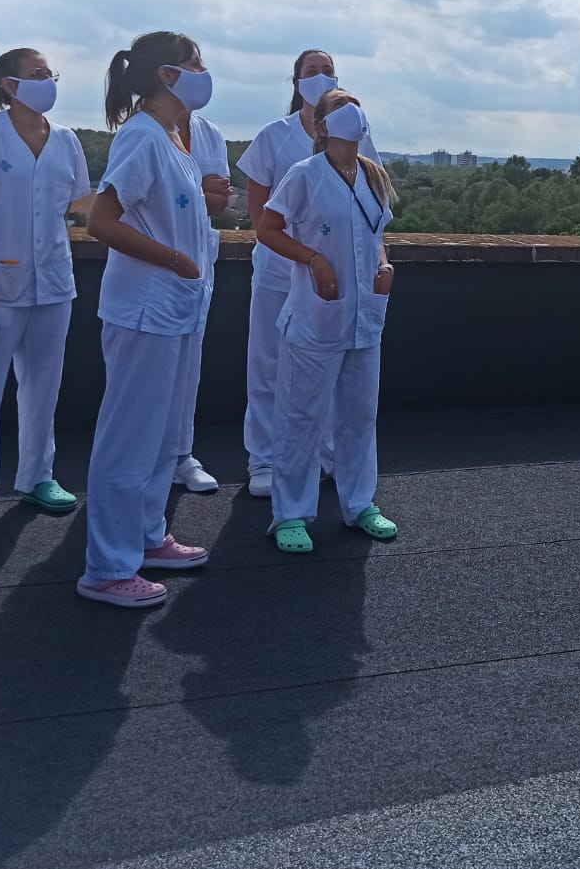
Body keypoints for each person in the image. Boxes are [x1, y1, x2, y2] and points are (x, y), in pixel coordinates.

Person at [78, 31, 218, 608]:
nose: (205, 72)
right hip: (145, 309)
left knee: (163, 434)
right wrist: (172, 258)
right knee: (130, 436)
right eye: (195, 64)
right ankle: (107, 568)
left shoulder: (174, 140)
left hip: (177, 308)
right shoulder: (141, 137)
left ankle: (146, 537)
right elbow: (101, 222)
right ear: (167, 76)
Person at [0, 48, 91, 527]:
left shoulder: (67, 140)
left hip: (53, 280)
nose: (47, 81)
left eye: (50, 73)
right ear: (8, 86)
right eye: (37, 75)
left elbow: (82, 202)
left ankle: (37, 476)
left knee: (44, 387)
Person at [256, 88, 398, 553]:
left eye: (354, 101)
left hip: (363, 316)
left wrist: (382, 265)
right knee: (301, 416)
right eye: (338, 106)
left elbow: (376, 233)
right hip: (317, 316)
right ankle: (291, 514)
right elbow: (268, 228)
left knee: (360, 415)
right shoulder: (305, 175)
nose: (351, 110)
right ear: (321, 127)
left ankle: (360, 504)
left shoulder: (374, 177)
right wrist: (313, 260)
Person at [236, 50, 381, 497]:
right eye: (311, 71)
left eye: (328, 70)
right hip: (280, 271)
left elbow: (371, 205)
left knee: (336, 371)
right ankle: (264, 459)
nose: (321, 77)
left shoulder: (360, 138)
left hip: (338, 281)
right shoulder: (273, 138)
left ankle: (330, 455)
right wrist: (303, 254)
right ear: (296, 82)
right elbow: (262, 215)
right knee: (268, 365)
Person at [170, 107, 233, 493]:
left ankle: (181, 456)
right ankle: (152, 461)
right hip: (156, 268)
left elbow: (220, 203)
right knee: (150, 383)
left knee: (188, 372)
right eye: (193, 67)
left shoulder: (210, 133)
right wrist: (200, 189)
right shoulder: (143, 133)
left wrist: (198, 194)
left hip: (198, 269)